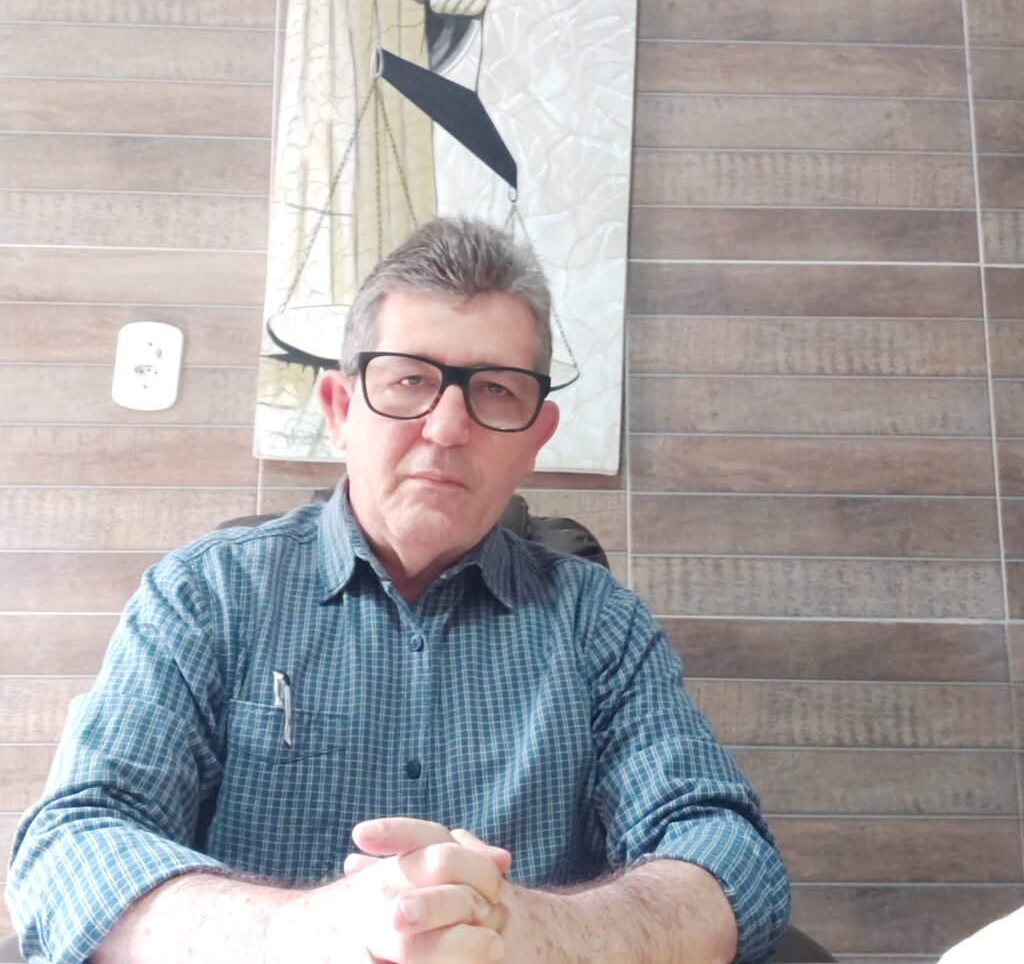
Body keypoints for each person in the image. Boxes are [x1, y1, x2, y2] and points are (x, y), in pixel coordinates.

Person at [6, 217, 790, 964]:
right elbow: (71, 846)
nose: (446, 428)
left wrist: (532, 934)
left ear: (535, 439)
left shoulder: (600, 624)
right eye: (410, 379)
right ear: (340, 410)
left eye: (495, 390)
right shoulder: (203, 594)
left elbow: (731, 857)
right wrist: (313, 935)